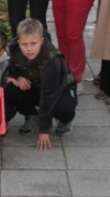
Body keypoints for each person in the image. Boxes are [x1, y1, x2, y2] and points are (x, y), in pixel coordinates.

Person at [5, 18, 77, 150]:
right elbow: (11, 68)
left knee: (63, 109)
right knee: (10, 89)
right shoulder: (14, 50)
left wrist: (44, 130)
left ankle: (66, 121)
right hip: (35, 86)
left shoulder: (52, 60)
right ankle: (32, 115)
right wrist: (17, 77)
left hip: (60, 89)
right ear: (19, 42)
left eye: (34, 43)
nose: (29, 49)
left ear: (42, 41)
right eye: (24, 44)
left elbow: (48, 96)